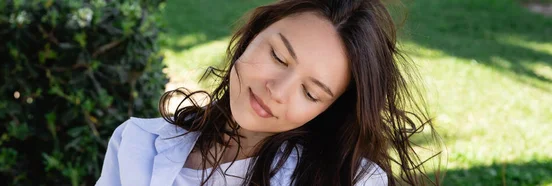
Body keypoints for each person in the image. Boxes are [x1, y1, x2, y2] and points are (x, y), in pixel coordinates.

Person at [96, 0, 442, 185]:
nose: (277, 92)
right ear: (251, 37)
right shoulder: (135, 141)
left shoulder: (351, 180)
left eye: (311, 93)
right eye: (277, 56)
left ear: (330, 109)